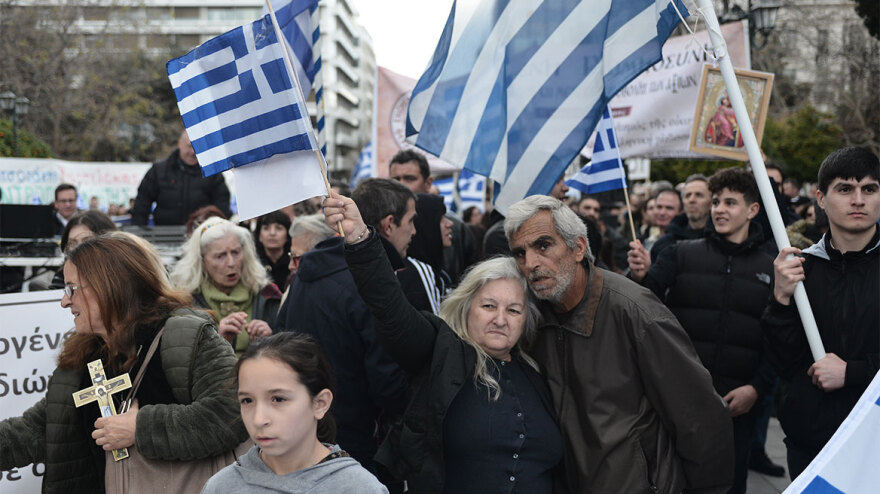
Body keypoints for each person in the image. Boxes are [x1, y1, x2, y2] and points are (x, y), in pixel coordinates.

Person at [322, 194, 565, 494]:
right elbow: (391, 309)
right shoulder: (441, 351)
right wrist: (360, 237)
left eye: (513, 310)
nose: (501, 319)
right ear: (466, 307)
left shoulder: (539, 368)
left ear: (526, 318)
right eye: (489, 306)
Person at [504, 195, 734, 493]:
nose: (531, 263)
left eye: (543, 245)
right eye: (520, 253)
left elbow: (700, 419)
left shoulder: (636, 312)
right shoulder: (529, 317)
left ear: (578, 248)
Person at [0, 232, 247, 493]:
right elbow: (34, 431)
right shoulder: (81, 361)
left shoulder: (186, 338)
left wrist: (142, 428)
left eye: (71, 288)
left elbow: (232, 414)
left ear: (109, 286)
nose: (64, 301)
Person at [634, 168, 775, 494]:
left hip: (736, 407)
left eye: (730, 202)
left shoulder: (771, 267)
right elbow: (645, 313)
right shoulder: (680, 255)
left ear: (753, 210)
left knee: (729, 485)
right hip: (679, 403)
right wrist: (640, 276)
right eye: (716, 201)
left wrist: (756, 388)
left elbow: (778, 339)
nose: (719, 209)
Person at [762, 146, 880, 479]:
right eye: (845, 189)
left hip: (874, 444)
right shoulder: (801, 270)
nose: (858, 200)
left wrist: (853, 373)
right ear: (821, 198)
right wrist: (780, 300)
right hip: (812, 446)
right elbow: (782, 362)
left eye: (869, 189)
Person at [275, 214, 408, 476]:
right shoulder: (362, 284)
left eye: (296, 256)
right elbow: (387, 381)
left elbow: (279, 341)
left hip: (304, 428)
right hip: (356, 437)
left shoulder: (303, 281)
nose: (292, 265)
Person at [201, 332, 388, 494]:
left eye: (278, 399)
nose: (259, 419)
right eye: (247, 400)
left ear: (320, 403)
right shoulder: (221, 487)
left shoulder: (359, 488)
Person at [170, 217, 281, 358]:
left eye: (235, 252)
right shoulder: (185, 303)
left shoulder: (267, 294)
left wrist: (272, 339)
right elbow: (179, 360)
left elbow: (291, 347)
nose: (231, 262)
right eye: (220, 256)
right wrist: (217, 340)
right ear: (202, 262)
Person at [351, 178, 440, 314]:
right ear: (389, 225)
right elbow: (435, 333)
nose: (414, 231)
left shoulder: (335, 265)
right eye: (410, 221)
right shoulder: (414, 272)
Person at [388, 149, 478, 283]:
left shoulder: (456, 228)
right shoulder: (380, 226)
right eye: (396, 180)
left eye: (410, 178)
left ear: (428, 183)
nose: (401, 185)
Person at [131, 130, 230, 226]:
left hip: (200, 233)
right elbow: (142, 203)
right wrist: (139, 231)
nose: (193, 152)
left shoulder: (212, 173)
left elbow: (222, 204)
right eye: (190, 146)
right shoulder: (158, 170)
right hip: (164, 234)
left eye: (198, 147)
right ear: (179, 144)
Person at [49, 210, 117, 289]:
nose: (78, 248)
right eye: (72, 243)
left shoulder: (122, 277)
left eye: (87, 241)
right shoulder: (63, 275)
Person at [253, 211, 292, 289]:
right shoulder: (253, 264)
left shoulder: (294, 263)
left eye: (279, 228)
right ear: (259, 236)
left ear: (287, 235)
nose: (272, 233)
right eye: (266, 228)